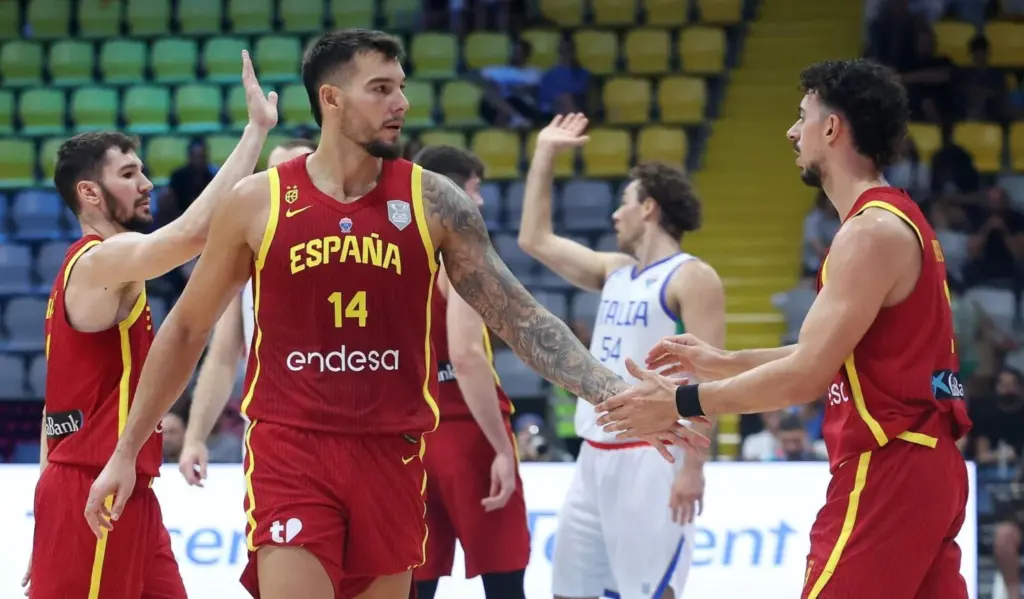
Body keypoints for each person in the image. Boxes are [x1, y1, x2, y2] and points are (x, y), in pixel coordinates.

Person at [83, 29, 707, 599]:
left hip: (394, 452)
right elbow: (189, 329)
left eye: (402, 87)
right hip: (291, 447)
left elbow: (517, 315)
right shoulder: (258, 202)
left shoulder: (433, 199)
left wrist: (611, 393)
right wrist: (126, 452)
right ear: (330, 98)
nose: (400, 102)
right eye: (381, 89)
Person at [598, 59, 973, 599]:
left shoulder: (870, 233)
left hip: (889, 464)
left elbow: (805, 377)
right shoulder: (891, 220)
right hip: (921, 462)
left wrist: (682, 402)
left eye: (803, 116)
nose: (792, 131)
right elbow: (825, 353)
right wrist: (724, 362)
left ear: (832, 127)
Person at [23, 51, 277, 599]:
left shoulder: (102, 269)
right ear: (89, 192)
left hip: (119, 489)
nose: (146, 182)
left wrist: (47, 505)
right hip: (92, 489)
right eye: (129, 173)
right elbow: (190, 234)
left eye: (143, 170)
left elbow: (55, 407)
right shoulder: (97, 261)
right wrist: (255, 134)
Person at [517, 113, 725, 599]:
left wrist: (694, 469)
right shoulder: (615, 269)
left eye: (623, 204)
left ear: (649, 208)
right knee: (569, 592)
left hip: (653, 457)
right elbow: (534, 240)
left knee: (651, 593)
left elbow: (709, 381)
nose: (615, 215)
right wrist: (545, 154)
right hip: (594, 453)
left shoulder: (693, 277)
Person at [411, 145, 530, 599]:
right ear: (452, 190)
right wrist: (501, 448)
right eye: (475, 189)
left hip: (410, 437)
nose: (479, 201)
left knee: (415, 584)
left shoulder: (387, 249)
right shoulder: (460, 252)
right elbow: (465, 355)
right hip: (468, 432)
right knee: (503, 582)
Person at [177, 138, 318, 484]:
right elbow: (223, 355)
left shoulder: (364, 248)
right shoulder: (248, 259)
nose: (286, 186)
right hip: (275, 439)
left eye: (297, 172)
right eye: (275, 175)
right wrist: (195, 436)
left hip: (354, 433)